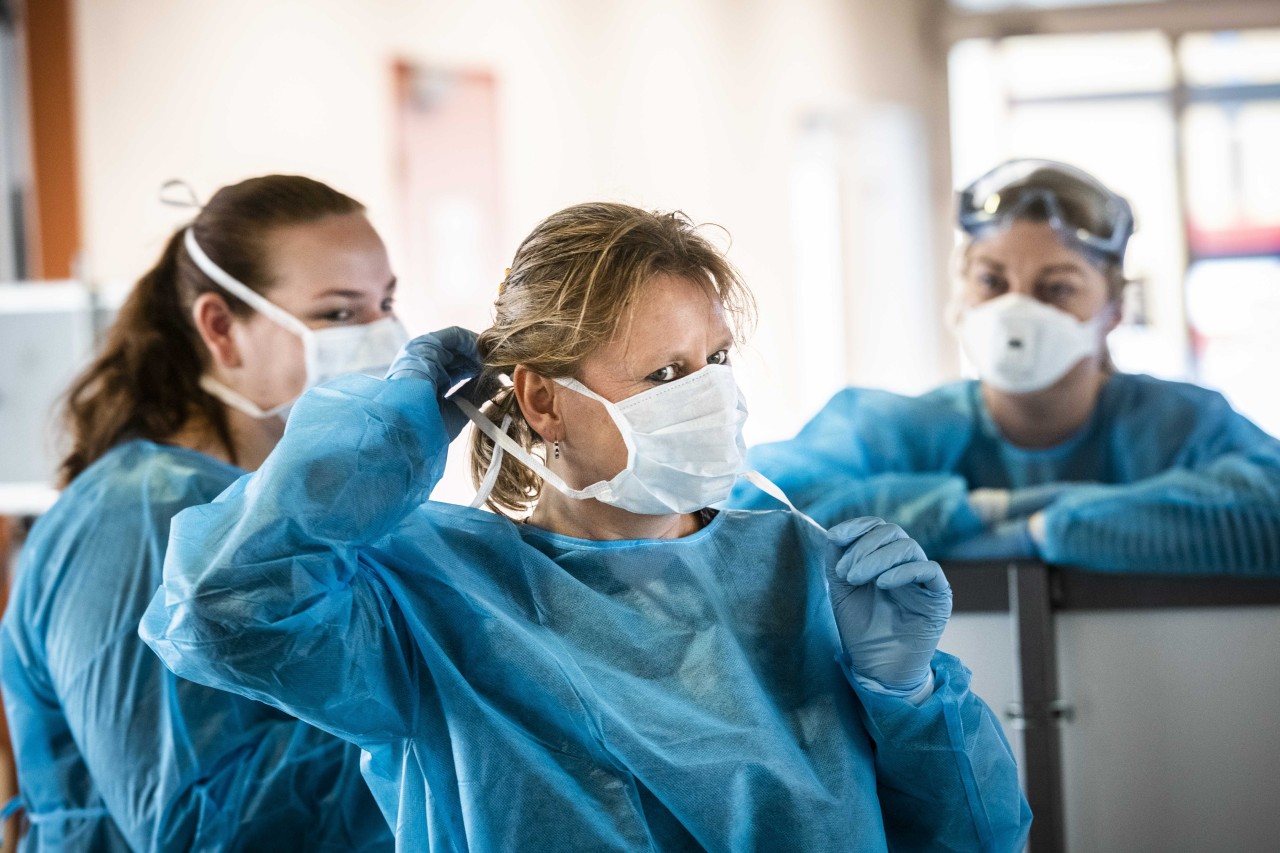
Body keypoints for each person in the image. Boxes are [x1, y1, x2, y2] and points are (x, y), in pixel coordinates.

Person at [140, 202, 1031, 851]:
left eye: (714, 361)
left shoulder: (804, 573)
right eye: (665, 371)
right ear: (540, 398)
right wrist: (389, 432)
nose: (709, 395)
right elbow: (224, 609)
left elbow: (978, 840)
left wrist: (909, 696)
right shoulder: (435, 595)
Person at [0, 175, 399, 850]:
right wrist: (429, 711)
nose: (384, 339)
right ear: (221, 327)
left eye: (387, 305)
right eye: (338, 314)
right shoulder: (136, 517)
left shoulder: (284, 509)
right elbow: (196, 825)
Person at [737, 159, 1280, 573]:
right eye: (992, 282)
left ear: (1113, 311)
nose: (1017, 311)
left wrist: (1051, 529)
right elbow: (757, 516)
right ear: (961, 295)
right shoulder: (893, 430)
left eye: (1057, 288)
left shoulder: (1180, 425)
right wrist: (983, 510)